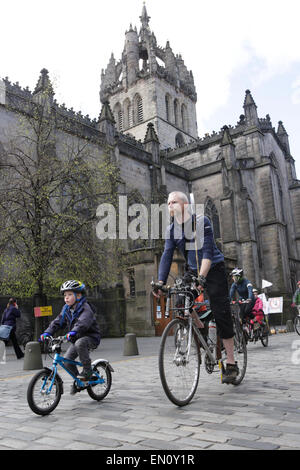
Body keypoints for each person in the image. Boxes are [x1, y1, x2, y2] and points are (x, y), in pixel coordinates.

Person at [153, 191, 238, 384]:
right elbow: (166, 256)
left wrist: (202, 278)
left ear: (184, 205)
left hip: (213, 267)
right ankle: (203, 332)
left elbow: (207, 252)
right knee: (181, 302)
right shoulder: (171, 230)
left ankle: (231, 363)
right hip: (192, 269)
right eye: (167, 203)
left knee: (220, 310)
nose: (169, 206)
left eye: (173, 202)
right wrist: (160, 281)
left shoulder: (202, 221)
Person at [39, 280, 101, 391]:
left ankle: (87, 370)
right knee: (67, 361)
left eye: (69, 294)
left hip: (91, 337)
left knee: (80, 342)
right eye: (65, 295)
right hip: (77, 338)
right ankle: (81, 381)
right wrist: (47, 332)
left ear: (79, 295)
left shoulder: (86, 308)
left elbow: (83, 322)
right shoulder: (66, 309)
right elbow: (57, 322)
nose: (66, 298)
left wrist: (74, 331)